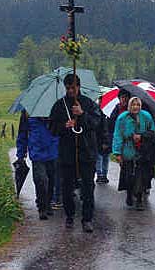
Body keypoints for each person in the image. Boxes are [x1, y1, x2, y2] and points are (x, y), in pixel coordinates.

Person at [49, 74, 102, 233]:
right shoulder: (59, 105)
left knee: (87, 187)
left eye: (73, 87)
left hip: (86, 152)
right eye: (68, 88)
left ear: (79, 86)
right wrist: (64, 126)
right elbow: (52, 128)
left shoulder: (88, 103)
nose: (71, 90)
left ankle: (87, 219)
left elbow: (96, 123)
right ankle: (70, 216)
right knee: (67, 188)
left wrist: (82, 114)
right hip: (67, 154)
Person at [113, 97, 155, 210]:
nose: (135, 107)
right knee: (128, 176)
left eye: (137, 105)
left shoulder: (146, 116)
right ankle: (129, 193)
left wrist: (142, 136)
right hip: (127, 149)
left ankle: (139, 198)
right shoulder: (122, 118)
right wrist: (117, 153)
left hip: (142, 150)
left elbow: (152, 131)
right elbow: (117, 135)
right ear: (129, 106)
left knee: (140, 175)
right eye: (133, 105)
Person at [16, 111, 59, 220]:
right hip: (37, 153)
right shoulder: (27, 113)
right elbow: (22, 134)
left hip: (53, 151)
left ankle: (48, 202)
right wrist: (21, 154)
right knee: (40, 180)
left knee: (51, 180)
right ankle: (42, 207)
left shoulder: (56, 110)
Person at [96, 96, 111, 184]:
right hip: (101, 139)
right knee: (101, 157)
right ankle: (100, 175)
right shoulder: (100, 113)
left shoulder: (107, 114)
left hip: (106, 138)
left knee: (104, 157)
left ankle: (103, 175)